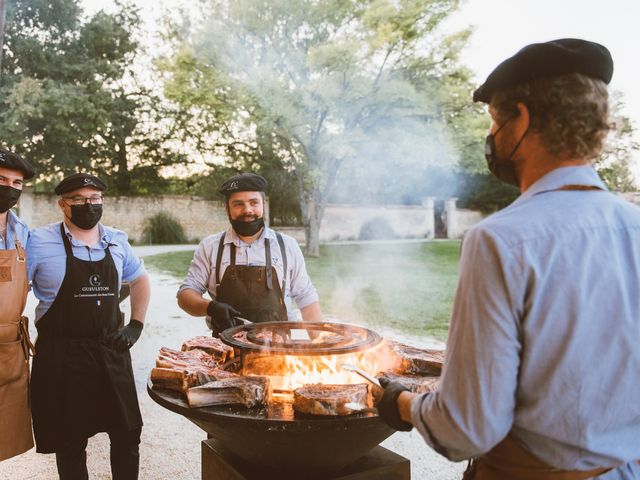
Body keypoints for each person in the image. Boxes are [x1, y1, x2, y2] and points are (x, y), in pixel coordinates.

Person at [377, 39, 640, 479]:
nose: (493, 137)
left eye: (496, 122)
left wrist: (401, 403)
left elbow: (468, 428)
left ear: (523, 118)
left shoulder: (501, 240)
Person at [27, 173, 151, 480]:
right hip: (62, 354)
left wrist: (136, 324)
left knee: (127, 432)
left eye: (95, 199)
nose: (89, 205)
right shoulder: (39, 242)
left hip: (110, 349)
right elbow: (14, 286)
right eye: (79, 199)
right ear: (62, 205)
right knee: (70, 440)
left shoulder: (117, 240)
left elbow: (140, 279)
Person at [177, 172, 321, 335]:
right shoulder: (210, 247)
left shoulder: (287, 246)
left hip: (277, 349)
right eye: (238, 204)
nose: (247, 210)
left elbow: (306, 297)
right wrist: (210, 307)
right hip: (224, 349)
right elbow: (185, 295)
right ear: (227, 209)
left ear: (263, 205)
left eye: (254, 202)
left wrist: (318, 344)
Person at [0, 148, 35, 462]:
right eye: (1, 179)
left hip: (9, 350)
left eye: (16, 183)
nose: (9, 187)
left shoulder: (23, 234)